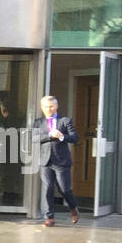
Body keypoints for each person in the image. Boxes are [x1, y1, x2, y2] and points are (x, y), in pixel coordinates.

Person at [32, 95, 80, 227]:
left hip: (61, 161)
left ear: (56, 106)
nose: (49, 109)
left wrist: (62, 137)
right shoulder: (38, 122)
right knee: (48, 188)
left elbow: (75, 138)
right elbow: (34, 138)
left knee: (64, 189)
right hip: (45, 161)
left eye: (52, 106)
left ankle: (73, 207)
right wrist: (49, 135)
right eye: (46, 107)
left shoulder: (65, 121)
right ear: (42, 108)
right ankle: (50, 217)